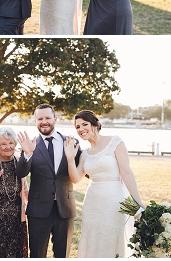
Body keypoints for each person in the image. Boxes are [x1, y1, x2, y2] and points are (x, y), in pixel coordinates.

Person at [64, 110, 142, 258]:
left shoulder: (115, 142)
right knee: (93, 238)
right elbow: (75, 178)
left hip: (115, 200)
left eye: (84, 124)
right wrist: (70, 158)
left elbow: (126, 173)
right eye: (77, 127)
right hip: (92, 203)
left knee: (114, 237)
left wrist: (138, 202)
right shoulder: (85, 154)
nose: (81, 129)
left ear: (95, 124)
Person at [16, 104, 81, 258]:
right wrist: (27, 154)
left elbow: (84, 167)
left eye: (47, 118)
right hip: (38, 210)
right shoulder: (31, 144)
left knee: (62, 254)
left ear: (55, 119)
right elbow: (20, 172)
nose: (44, 121)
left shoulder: (71, 142)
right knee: (37, 254)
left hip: (65, 209)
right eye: (40, 119)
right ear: (35, 121)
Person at [0, 126, 29, 258]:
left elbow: (25, 191)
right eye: (3, 144)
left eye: (11, 143)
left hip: (17, 222)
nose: (8, 147)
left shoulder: (19, 162)